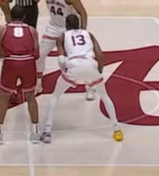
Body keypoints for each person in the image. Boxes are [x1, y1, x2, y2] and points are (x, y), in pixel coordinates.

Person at [42, 14, 122, 144]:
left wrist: (65, 71)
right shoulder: (89, 34)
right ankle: (116, 129)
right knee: (105, 96)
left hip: (74, 66)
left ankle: (47, 131)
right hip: (91, 65)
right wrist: (99, 73)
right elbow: (100, 55)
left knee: (55, 96)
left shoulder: (62, 37)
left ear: (66, 26)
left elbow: (61, 59)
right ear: (79, 24)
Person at [0, 5, 41, 144]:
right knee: (31, 97)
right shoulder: (32, 30)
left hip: (11, 62)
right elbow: (36, 52)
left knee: (4, 97)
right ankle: (36, 132)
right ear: (24, 18)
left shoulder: (3, 29)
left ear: (10, 17)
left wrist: (4, 55)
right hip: (28, 62)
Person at [39, 0, 90, 95]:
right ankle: (38, 84)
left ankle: (90, 87)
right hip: (53, 27)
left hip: (68, 30)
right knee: (39, 55)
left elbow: (83, 12)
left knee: (80, 60)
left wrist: (82, 32)